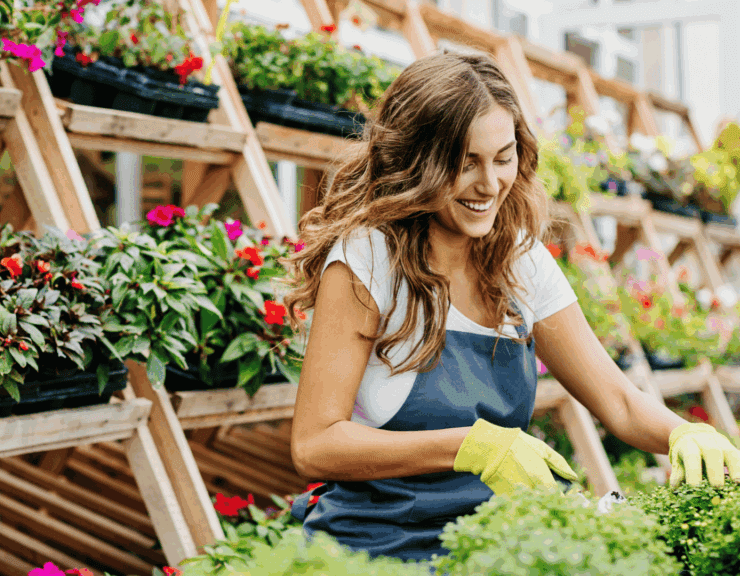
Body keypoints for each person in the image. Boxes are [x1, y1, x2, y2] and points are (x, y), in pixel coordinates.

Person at [279, 52, 740, 563]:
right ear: (418, 162)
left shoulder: (520, 261)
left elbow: (621, 402)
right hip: (377, 550)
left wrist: (686, 433)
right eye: (464, 163)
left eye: (503, 157)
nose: (490, 184)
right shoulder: (369, 260)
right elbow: (315, 444)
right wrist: (473, 446)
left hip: (492, 545)